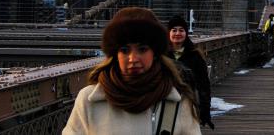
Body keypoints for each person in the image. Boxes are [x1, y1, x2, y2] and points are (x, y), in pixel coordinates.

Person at [63, 7, 201, 135]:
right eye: (124, 50)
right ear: (115, 55)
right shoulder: (88, 100)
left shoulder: (177, 101)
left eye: (142, 49)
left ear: (155, 53)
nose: (133, 59)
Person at [167, 16, 214, 130]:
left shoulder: (195, 56)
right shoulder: (161, 55)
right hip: (166, 104)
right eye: (174, 30)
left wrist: (205, 110)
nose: (177, 33)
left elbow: (204, 85)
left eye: (181, 30)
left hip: (187, 104)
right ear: (168, 33)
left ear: (186, 33)